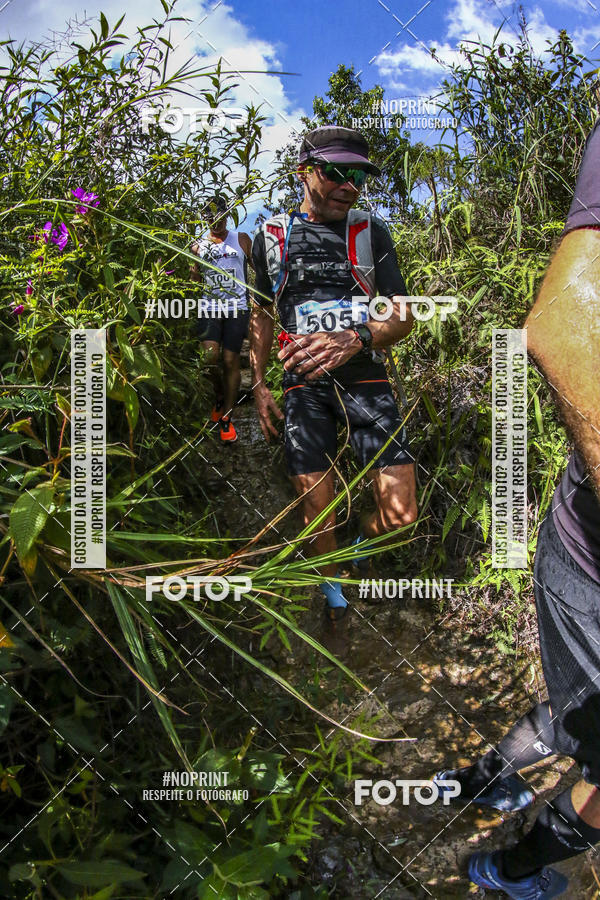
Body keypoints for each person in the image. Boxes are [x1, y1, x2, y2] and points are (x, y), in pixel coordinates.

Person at [436, 120, 600, 898]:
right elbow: (565, 321)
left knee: (581, 712)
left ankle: (485, 786)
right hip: (588, 547)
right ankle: (509, 866)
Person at [250, 125, 418, 621]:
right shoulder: (271, 238)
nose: (349, 186)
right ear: (304, 172)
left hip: (366, 378)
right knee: (317, 518)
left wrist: (356, 338)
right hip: (303, 387)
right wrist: (259, 385)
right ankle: (334, 595)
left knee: (401, 514)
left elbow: (403, 312)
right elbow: (261, 313)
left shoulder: (370, 232)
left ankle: (361, 545)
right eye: (336, 173)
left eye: (358, 176)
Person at [190, 196, 253, 443]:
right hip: (209, 309)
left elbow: (259, 271)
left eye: (219, 215)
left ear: (227, 214)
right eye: (209, 216)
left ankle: (227, 415)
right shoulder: (198, 247)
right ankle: (219, 394)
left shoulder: (242, 240)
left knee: (230, 360)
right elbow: (193, 280)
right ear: (204, 217)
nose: (214, 220)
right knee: (208, 359)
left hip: (237, 308)